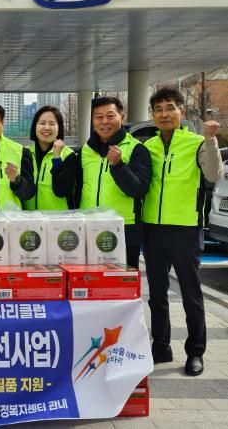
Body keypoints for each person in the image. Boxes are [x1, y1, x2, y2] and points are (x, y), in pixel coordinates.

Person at [142, 87, 222, 376]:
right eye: (159, 109)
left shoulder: (196, 143)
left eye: (170, 108)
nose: (164, 114)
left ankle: (195, 351)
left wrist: (211, 140)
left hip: (185, 228)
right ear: (153, 114)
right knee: (157, 294)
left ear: (181, 112)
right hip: (152, 228)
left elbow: (213, 174)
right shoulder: (147, 146)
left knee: (191, 293)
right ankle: (161, 345)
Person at [52, 97, 152, 268]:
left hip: (124, 230)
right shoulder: (85, 151)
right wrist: (57, 161)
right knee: (88, 282)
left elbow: (138, 189)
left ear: (122, 117)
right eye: (99, 117)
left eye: (110, 116)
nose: (104, 121)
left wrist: (118, 165)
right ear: (93, 121)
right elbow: (64, 189)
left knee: (121, 283)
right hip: (87, 228)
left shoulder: (137, 149)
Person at [25, 106, 74, 210]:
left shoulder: (69, 155)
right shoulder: (26, 154)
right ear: (35, 126)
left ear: (59, 127)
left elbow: (62, 191)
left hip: (58, 219)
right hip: (30, 219)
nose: (46, 127)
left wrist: (57, 158)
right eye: (42, 123)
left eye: (52, 124)